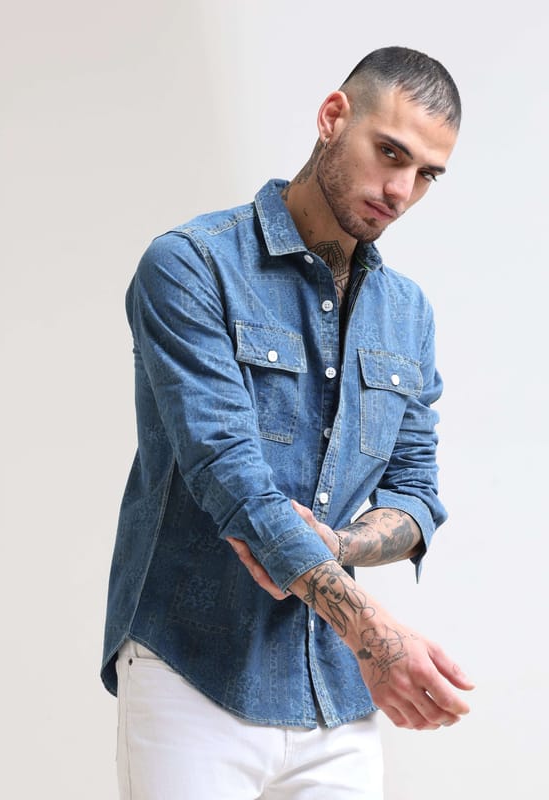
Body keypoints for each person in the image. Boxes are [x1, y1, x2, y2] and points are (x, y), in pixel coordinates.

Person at [101, 46, 474, 799]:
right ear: (333, 117)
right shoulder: (191, 266)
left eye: (426, 174)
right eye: (390, 152)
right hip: (193, 674)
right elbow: (232, 481)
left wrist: (338, 546)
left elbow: (416, 495)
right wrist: (374, 635)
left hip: (334, 694)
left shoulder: (407, 314)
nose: (401, 190)